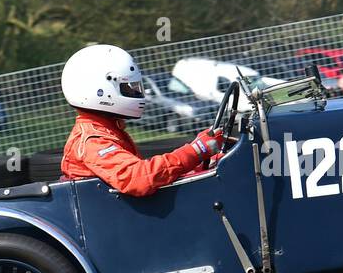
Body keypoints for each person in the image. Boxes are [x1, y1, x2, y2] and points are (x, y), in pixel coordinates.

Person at [59, 43, 223, 195]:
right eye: (128, 88)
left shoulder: (107, 130)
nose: (135, 93)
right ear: (100, 91)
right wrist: (195, 150)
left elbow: (149, 175)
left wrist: (199, 165)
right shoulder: (93, 140)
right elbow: (138, 178)